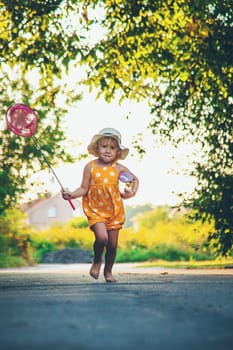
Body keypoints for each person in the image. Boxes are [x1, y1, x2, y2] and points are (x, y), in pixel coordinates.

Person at [62, 128, 139, 283]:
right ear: (97, 149)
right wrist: (71, 195)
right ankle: (97, 260)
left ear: (118, 152)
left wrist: (130, 192)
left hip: (114, 211)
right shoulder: (90, 167)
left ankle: (108, 271)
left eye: (112, 148)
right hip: (95, 209)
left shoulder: (119, 169)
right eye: (104, 146)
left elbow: (135, 180)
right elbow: (83, 188)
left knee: (112, 245)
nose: (108, 151)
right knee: (102, 238)